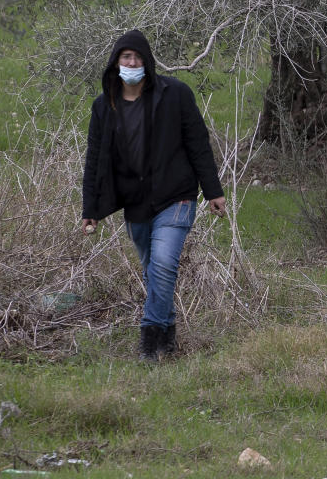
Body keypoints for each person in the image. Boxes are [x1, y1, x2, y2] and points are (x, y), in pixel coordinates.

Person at [81, 29, 226, 362]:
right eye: (125, 57)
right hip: (134, 202)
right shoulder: (104, 107)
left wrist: (212, 191)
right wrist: (90, 207)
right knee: (155, 270)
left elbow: (198, 144)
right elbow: (95, 160)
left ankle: (149, 339)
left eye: (138, 57)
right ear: (115, 63)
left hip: (176, 195)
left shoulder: (175, 94)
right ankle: (169, 331)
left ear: (148, 61)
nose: (132, 63)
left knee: (162, 263)